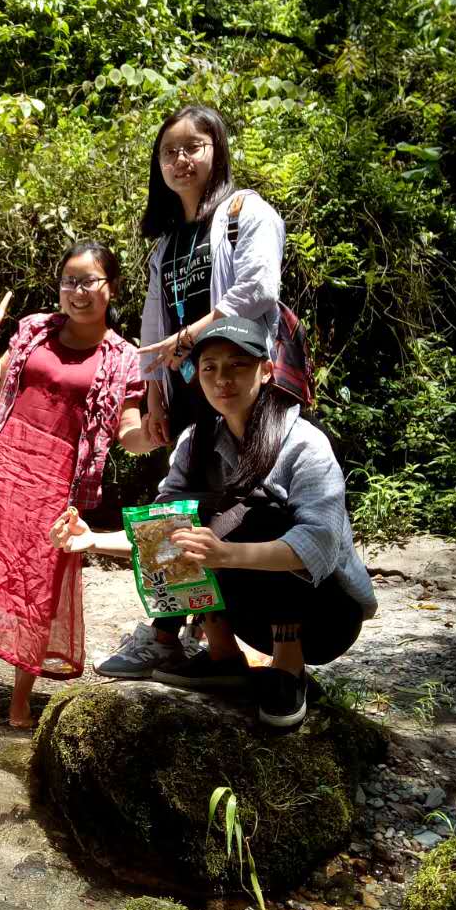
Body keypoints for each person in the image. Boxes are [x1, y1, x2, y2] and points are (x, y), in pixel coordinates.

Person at [50, 316, 376, 728]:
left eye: (237, 365)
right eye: (210, 368)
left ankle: (288, 669)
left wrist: (225, 553)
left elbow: (320, 543)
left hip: (325, 617)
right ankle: (223, 656)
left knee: (263, 513)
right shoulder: (195, 441)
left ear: (266, 370)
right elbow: (160, 532)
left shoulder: (304, 444)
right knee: (181, 517)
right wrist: (91, 540)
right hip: (251, 614)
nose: (223, 379)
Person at [0, 240, 155, 733]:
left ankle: (20, 701)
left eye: (89, 281)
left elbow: (129, 432)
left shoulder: (123, 357)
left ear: (111, 287)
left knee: (35, 587)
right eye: (69, 281)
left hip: (57, 481)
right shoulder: (34, 329)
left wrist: (155, 434)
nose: (77, 291)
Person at [100, 104, 286, 674]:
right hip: (186, 390)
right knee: (177, 507)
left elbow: (259, 288)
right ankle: (176, 634)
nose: (180, 160)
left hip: (238, 382)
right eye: (168, 152)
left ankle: (215, 637)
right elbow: (154, 325)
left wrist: (191, 336)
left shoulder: (245, 213)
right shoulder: (166, 243)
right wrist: (155, 393)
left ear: (216, 150)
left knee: (241, 504)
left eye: (193, 147)